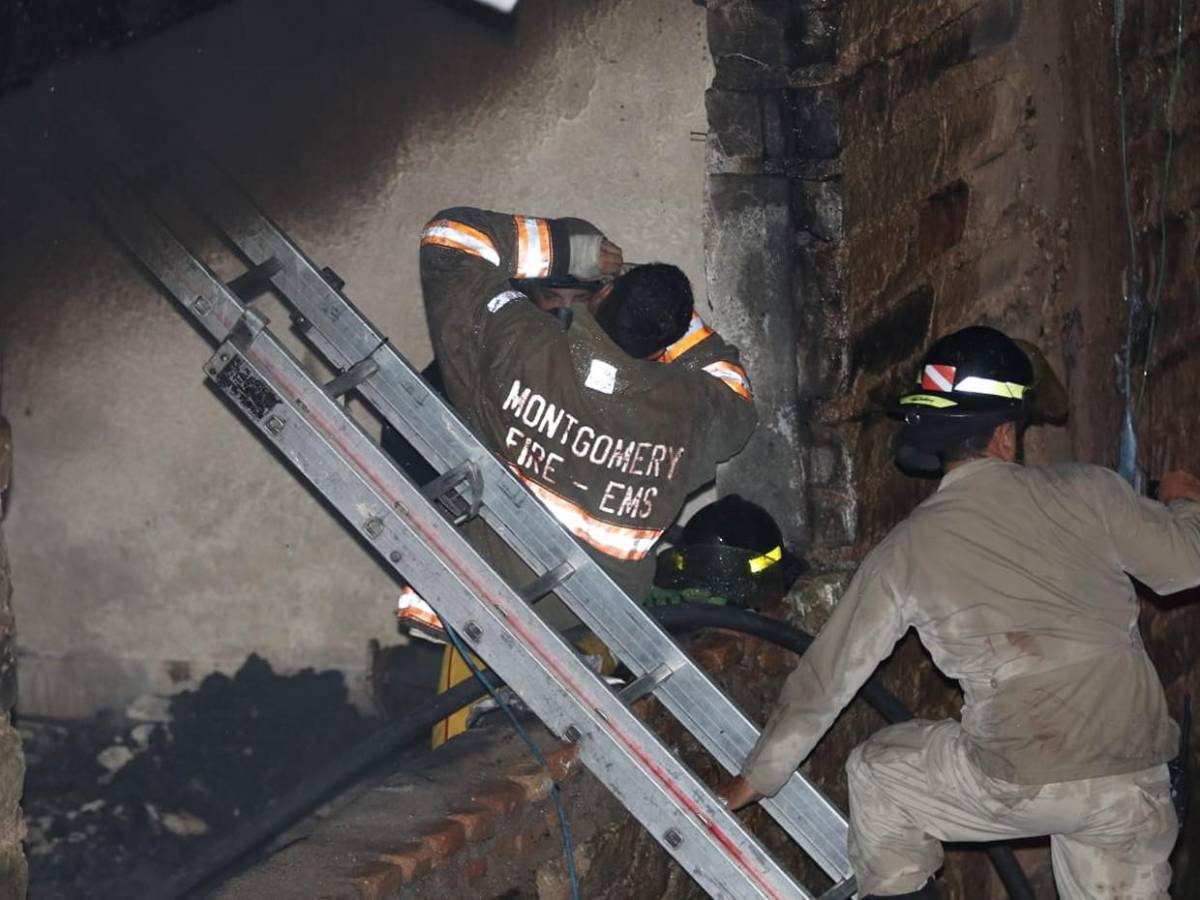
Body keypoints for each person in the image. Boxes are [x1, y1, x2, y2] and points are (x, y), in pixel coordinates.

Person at [718, 325, 1200, 900]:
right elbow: (1185, 565)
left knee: (878, 772)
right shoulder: (1092, 491)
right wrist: (1183, 501)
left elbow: (827, 678)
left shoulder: (906, 549)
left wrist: (758, 775)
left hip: (1021, 777)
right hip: (1135, 779)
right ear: (1003, 436)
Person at [419, 206, 757, 742]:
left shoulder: (522, 346)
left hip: (491, 615)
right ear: (661, 344)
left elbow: (452, 238)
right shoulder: (685, 409)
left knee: (459, 753)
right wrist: (665, 310)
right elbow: (733, 388)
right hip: (601, 627)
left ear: (599, 298)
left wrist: (570, 248)